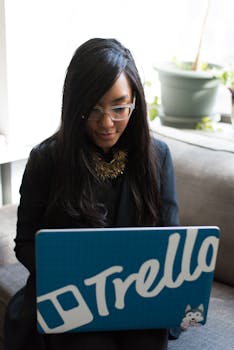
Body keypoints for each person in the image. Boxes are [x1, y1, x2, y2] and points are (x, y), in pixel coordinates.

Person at [4, 38, 180, 350]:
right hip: (71, 297)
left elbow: (173, 241)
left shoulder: (158, 156)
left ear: (135, 103)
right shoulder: (48, 158)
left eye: (119, 107)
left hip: (140, 297)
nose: (107, 122)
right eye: (93, 109)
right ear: (75, 106)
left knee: (146, 341)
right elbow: (26, 242)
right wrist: (78, 282)